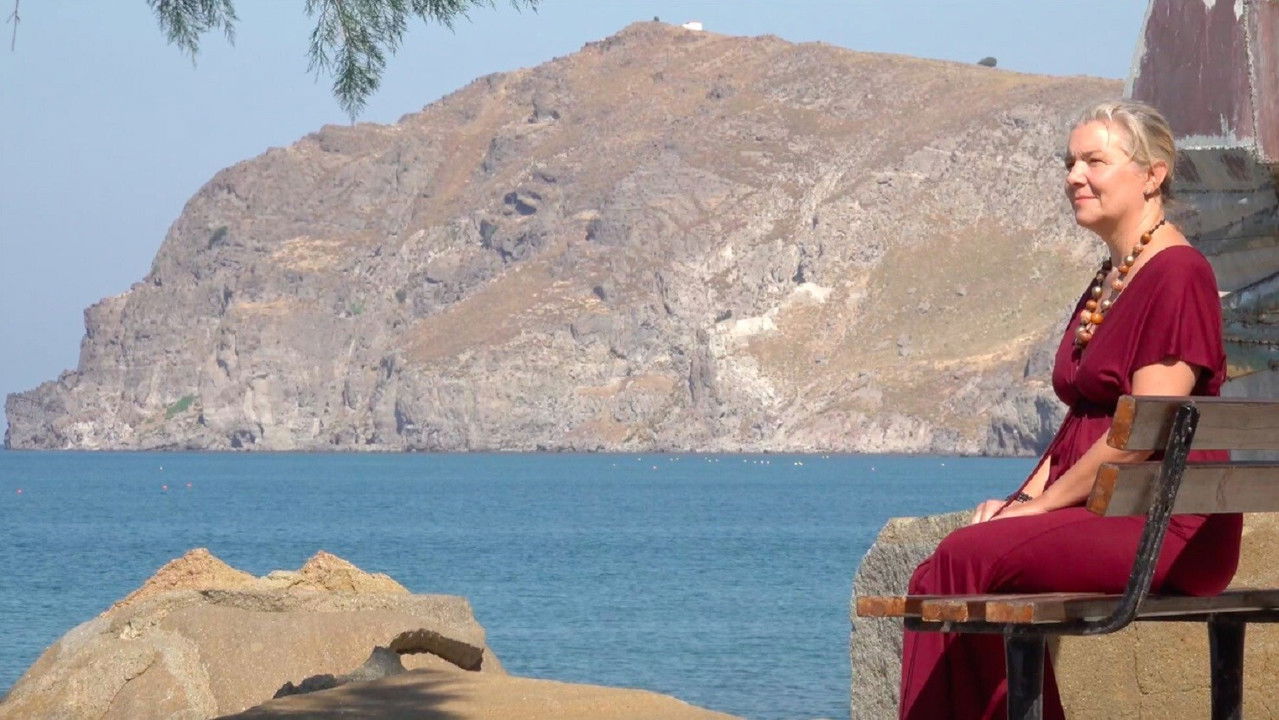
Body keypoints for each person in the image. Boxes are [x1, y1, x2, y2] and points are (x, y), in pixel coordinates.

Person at [898, 100, 1242, 720]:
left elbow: (1141, 435)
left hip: (1166, 525)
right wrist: (1020, 500)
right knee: (938, 571)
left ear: (1152, 174)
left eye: (1094, 161)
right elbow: (1079, 424)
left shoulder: (1177, 273)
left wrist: (1040, 508)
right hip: (1109, 510)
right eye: (1069, 162)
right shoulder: (1113, 277)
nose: (1074, 176)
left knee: (964, 560)